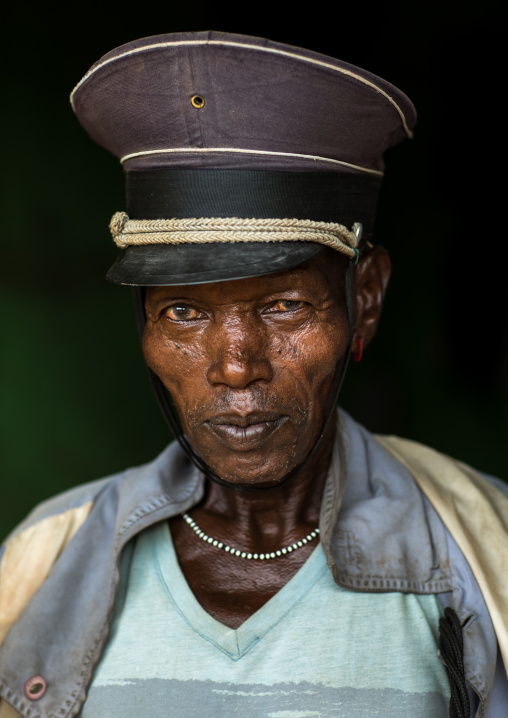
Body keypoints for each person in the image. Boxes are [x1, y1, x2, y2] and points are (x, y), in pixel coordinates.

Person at [0, 30, 507, 718]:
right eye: (183, 311)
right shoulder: (41, 563)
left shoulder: (487, 550)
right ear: (143, 322)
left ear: (366, 299)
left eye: (284, 305)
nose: (237, 366)